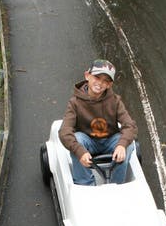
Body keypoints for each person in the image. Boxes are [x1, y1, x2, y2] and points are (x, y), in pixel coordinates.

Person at [59, 58, 138, 186]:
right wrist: (80, 151)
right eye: (96, 77)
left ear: (109, 85)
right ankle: (85, 183)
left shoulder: (115, 101)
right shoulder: (75, 103)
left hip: (110, 140)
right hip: (87, 142)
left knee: (128, 144)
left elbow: (130, 125)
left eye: (105, 81)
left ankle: (116, 185)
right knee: (77, 139)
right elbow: (64, 131)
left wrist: (122, 145)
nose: (100, 83)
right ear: (87, 76)